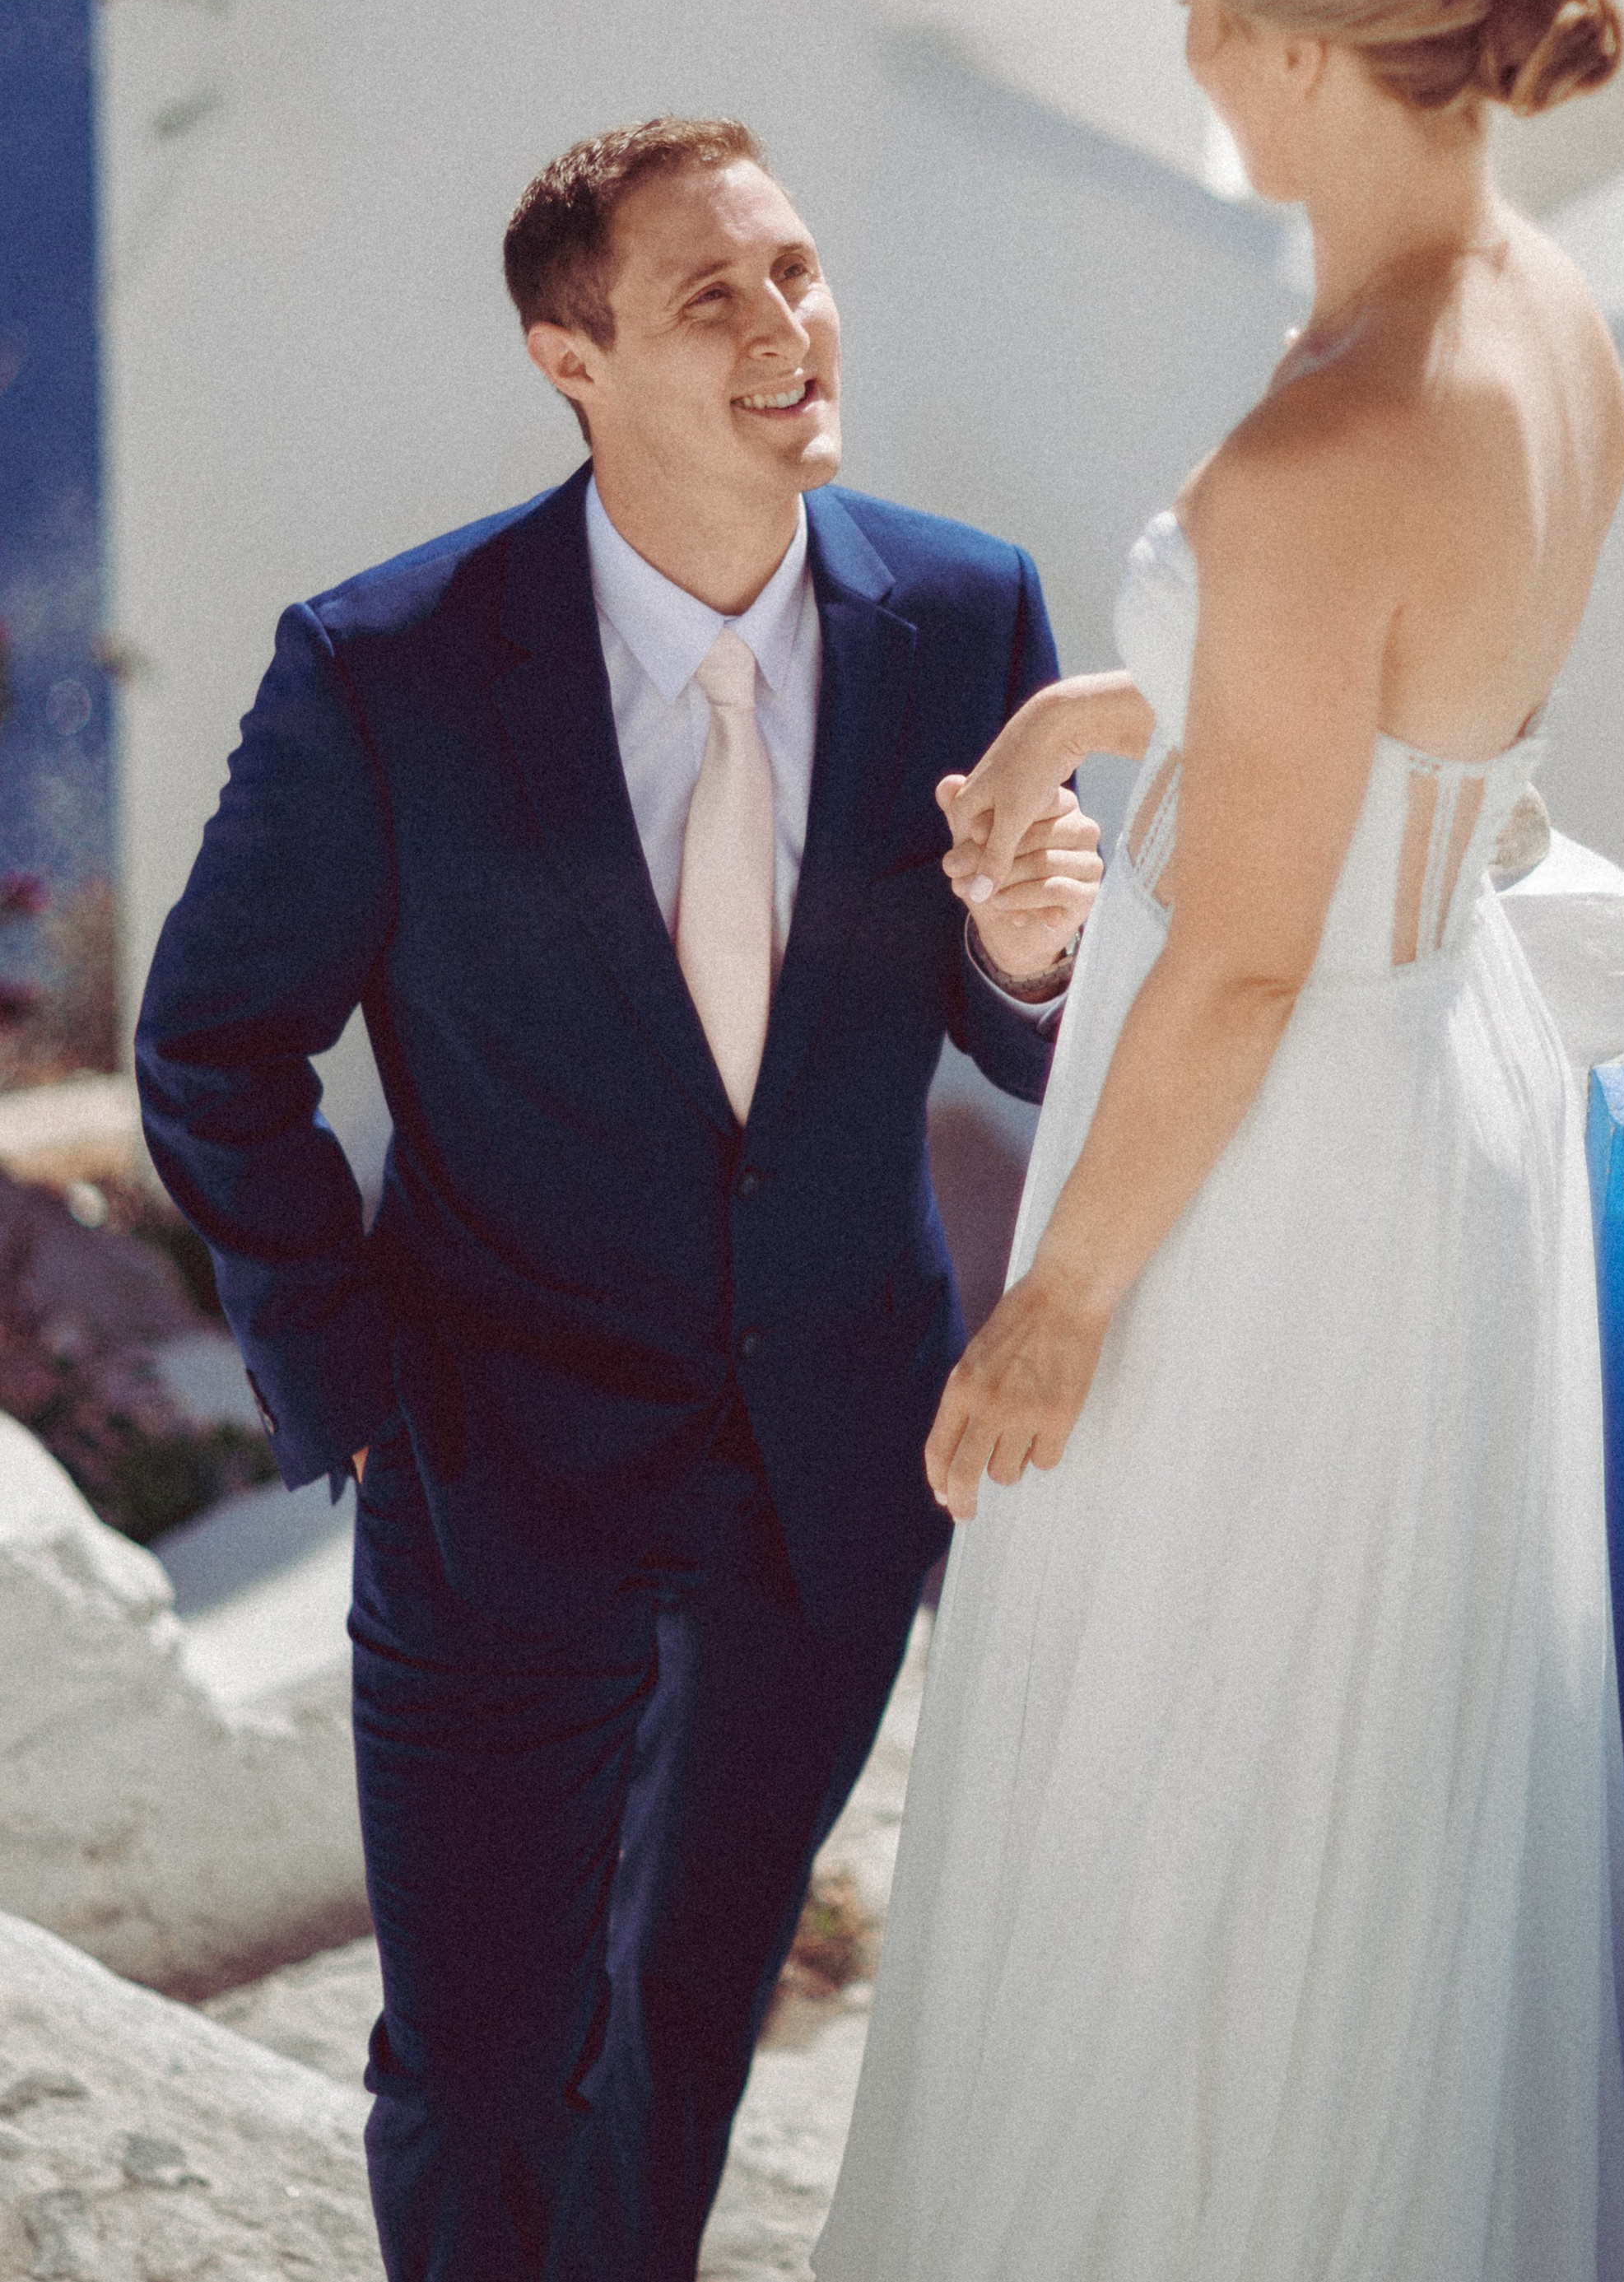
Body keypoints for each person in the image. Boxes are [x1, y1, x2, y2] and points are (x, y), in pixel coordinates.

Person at [818, 0, 1624, 2282]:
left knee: (1166, 1787)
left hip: (1269, 1160)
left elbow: (1250, 949)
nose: (1182, 46)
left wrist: (1054, 1303)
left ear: (1304, 40)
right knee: (1342, 1799)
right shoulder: (1544, 313)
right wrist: (1128, 715)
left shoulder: (1334, 434)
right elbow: (1425, 731)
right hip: (1446, 1100)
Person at [133, 117, 1103, 2282]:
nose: (787, 326)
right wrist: (349, 1376)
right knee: (483, 2069)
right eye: (711, 297)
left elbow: (1031, 1032)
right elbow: (214, 1041)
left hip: (836, 1476)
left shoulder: (967, 616)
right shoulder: (381, 671)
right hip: (492, 1463)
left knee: (678, 2031)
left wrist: (1040, 947)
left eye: (796, 267)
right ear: (574, 358)